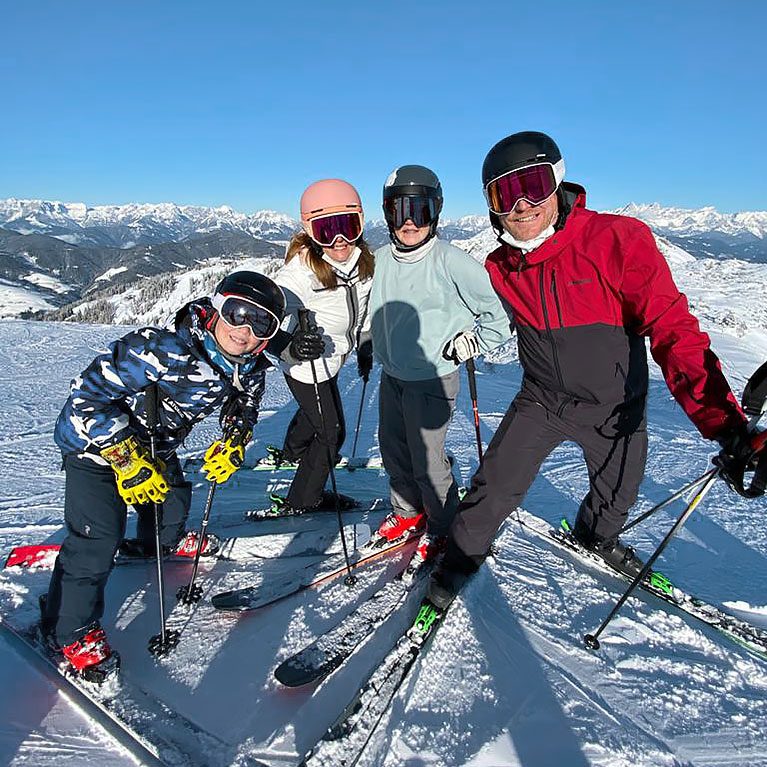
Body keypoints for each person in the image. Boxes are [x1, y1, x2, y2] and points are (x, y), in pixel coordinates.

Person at [428, 130, 754, 609]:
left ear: (557, 182)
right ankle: (458, 560)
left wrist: (725, 425)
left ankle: (594, 538)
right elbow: (460, 308)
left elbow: (673, 330)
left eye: (533, 185)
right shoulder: (498, 266)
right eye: (504, 192)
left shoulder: (618, 240)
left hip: (616, 409)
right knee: (493, 488)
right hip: (542, 402)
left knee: (616, 498)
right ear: (491, 204)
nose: (521, 204)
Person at [41, 270, 301, 679]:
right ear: (216, 309)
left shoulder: (249, 366)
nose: (244, 330)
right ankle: (67, 629)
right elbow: (86, 397)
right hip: (92, 448)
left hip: (154, 446)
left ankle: (159, 542)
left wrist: (234, 438)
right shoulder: (160, 350)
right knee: (98, 539)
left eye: (261, 322)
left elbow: (244, 406)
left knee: (175, 496)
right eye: (237, 313)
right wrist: (126, 461)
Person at [368, 165, 511, 566]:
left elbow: (500, 315)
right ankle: (407, 513)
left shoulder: (452, 261)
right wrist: (368, 343)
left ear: (436, 212)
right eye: (400, 211)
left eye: (422, 210)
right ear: (387, 214)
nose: (411, 221)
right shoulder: (380, 260)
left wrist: (472, 343)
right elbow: (372, 309)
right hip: (392, 374)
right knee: (393, 449)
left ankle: (444, 525)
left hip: (433, 377)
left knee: (428, 458)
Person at [265, 179, 375, 514]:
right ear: (310, 231)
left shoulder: (364, 262)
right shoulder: (298, 274)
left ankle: (293, 451)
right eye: (327, 231)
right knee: (332, 433)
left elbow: (366, 307)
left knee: (317, 410)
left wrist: (366, 342)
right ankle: (302, 499)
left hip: (333, 358)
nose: (339, 240)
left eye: (348, 227)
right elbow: (263, 319)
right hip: (305, 365)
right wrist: (289, 345)